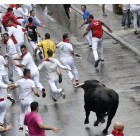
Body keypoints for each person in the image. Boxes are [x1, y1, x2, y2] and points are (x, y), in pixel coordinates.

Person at [10, 69, 40, 135]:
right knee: (29, 115)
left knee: (22, 113)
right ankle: (27, 130)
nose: (30, 74)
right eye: (29, 73)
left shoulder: (19, 81)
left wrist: (9, 88)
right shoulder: (31, 82)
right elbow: (35, 91)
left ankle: (21, 126)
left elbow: (13, 87)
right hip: (30, 101)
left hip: (22, 101)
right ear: (27, 74)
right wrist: (37, 94)